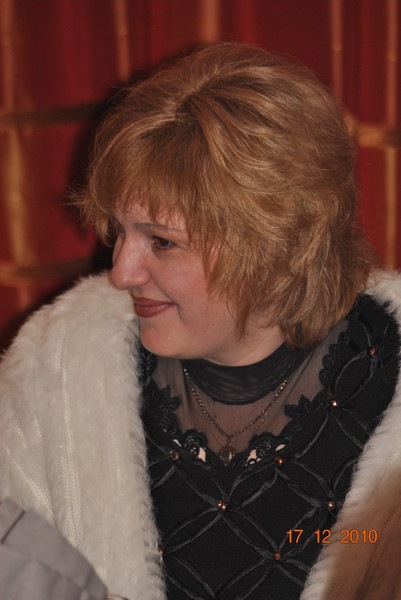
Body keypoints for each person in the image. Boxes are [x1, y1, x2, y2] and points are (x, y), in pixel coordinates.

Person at [0, 41, 400, 600]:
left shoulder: (388, 390)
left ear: (276, 247)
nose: (121, 272)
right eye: (119, 231)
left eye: (162, 242)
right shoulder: (59, 367)